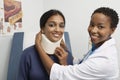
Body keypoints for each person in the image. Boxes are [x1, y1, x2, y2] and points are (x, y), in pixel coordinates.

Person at [35, 7, 119, 80]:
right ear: (42, 28)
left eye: (100, 27)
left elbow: (60, 74)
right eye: (91, 24)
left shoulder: (104, 61)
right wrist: (67, 51)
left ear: (112, 30)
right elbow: (82, 64)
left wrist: (38, 45)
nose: (93, 30)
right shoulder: (98, 47)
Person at [17, 9, 73, 80]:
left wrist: (64, 65)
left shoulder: (67, 55)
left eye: (61, 26)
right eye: (52, 25)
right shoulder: (28, 54)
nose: (57, 30)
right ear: (42, 29)